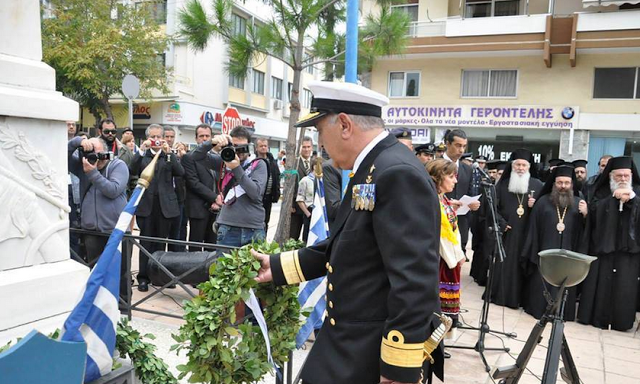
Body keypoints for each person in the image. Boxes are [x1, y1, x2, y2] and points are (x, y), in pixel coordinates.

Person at [251, 81, 444, 384]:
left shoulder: (395, 172)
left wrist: (398, 366)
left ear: (344, 124)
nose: (320, 144)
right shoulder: (372, 166)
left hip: (371, 350)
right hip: (350, 340)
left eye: (319, 132)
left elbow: (415, 277)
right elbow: (349, 245)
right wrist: (276, 267)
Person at [578, 156, 640, 331]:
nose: (622, 179)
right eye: (618, 176)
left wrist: (633, 199)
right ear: (611, 176)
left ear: (631, 176)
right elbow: (593, 214)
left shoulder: (637, 192)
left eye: (626, 176)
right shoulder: (601, 191)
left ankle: (622, 322)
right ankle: (597, 318)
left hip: (628, 254)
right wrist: (613, 199)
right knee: (600, 288)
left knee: (624, 288)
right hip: (604, 250)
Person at [522, 165, 588, 321]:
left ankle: (563, 312)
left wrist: (586, 215)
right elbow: (533, 229)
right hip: (545, 252)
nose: (563, 186)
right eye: (560, 183)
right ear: (554, 183)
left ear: (572, 184)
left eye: (567, 183)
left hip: (569, 255)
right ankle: (539, 309)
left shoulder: (579, 203)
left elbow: (585, 232)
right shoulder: (542, 202)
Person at [129, 124, 185, 292]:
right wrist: (141, 151)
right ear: (148, 138)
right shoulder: (143, 155)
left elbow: (180, 172)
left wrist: (170, 154)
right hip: (146, 206)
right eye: (153, 137)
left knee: (161, 243)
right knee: (145, 243)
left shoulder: (167, 156)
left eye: (159, 137)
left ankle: (159, 276)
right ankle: (144, 277)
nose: (156, 140)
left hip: (165, 207)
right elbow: (132, 169)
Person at [193, 126, 268, 248]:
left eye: (242, 148)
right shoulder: (224, 161)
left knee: (256, 267)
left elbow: (255, 193)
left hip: (253, 229)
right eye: (234, 147)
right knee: (223, 267)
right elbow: (194, 157)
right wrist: (212, 142)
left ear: (250, 147)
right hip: (227, 227)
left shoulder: (258, 164)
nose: (238, 152)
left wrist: (236, 168)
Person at [491, 148, 543, 309]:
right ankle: (501, 296)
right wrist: (501, 222)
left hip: (528, 234)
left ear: (529, 167)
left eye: (524, 165)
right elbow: (492, 207)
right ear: (512, 166)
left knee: (524, 266)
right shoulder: (503, 185)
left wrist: (535, 206)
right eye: (517, 165)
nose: (520, 168)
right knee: (505, 265)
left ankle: (521, 299)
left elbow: (545, 210)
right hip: (508, 232)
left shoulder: (537, 185)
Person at [427, 159, 466, 341]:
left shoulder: (442, 199)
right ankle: (435, 341)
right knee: (438, 306)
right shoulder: (433, 200)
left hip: (449, 258)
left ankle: (440, 342)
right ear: (438, 177)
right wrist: (456, 256)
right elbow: (442, 236)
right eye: (451, 176)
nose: (455, 181)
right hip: (441, 260)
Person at [182, 124, 220, 251]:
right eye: (201, 136)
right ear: (196, 138)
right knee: (196, 248)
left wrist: (219, 200)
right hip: (198, 209)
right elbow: (194, 183)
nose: (204, 139)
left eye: (207, 136)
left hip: (217, 210)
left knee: (213, 247)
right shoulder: (189, 157)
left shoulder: (218, 157)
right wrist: (214, 198)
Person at [442, 129, 480, 256]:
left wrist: (472, 204)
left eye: (464, 146)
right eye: (458, 145)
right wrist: (446, 204)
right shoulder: (434, 165)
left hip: (461, 223)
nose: (461, 150)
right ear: (448, 144)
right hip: (440, 222)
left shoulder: (467, 169)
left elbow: (469, 193)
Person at [290, 137, 314, 240]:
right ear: (300, 148)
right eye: (304, 147)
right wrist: (290, 205)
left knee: (308, 237)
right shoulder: (294, 163)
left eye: (308, 147)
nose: (306, 149)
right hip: (296, 208)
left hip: (311, 208)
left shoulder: (316, 163)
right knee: (293, 235)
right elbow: (290, 186)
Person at [256, 138, 281, 229]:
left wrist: (276, 194)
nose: (263, 148)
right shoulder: (253, 161)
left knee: (265, 222)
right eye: (261, 146)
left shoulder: (272, 162)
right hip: (256, 197)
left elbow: (277, 178)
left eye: (265, 146)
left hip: (268, 197)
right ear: (256, 148)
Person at [296, 161, 317, 242]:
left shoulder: (322, 180)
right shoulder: (305, 180)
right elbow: (300, 199)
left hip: (320, 212)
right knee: (308, 236)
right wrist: (308, 214)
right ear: (314, 167)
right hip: (310, 210)